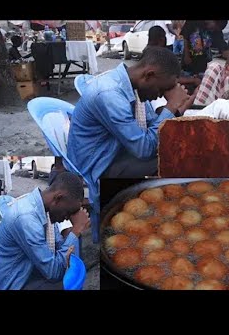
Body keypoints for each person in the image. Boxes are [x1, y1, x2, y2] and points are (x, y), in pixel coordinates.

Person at [67, 47, 190, 217]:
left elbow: (148, 129)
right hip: (98, 165)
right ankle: (167, 211)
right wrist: (170, 107)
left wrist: (174, 110)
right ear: (149, 75)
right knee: (177, 155)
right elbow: (144, 148)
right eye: (161, 90)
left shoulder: (132, 86)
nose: (161, 96)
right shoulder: (110, 94)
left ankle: (163, 206)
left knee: (179, 146)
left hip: (113, 153)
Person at [0, 172, 90, 290]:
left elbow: (57, 249)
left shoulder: (43, 208)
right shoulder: (27, 218)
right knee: (66, 285)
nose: (67, 218)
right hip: (12, 283)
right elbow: (54, 272)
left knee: (71, 276)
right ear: (58, 198)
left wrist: (72, 232)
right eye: (68, 212)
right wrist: (76, 230)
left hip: (25, 271)